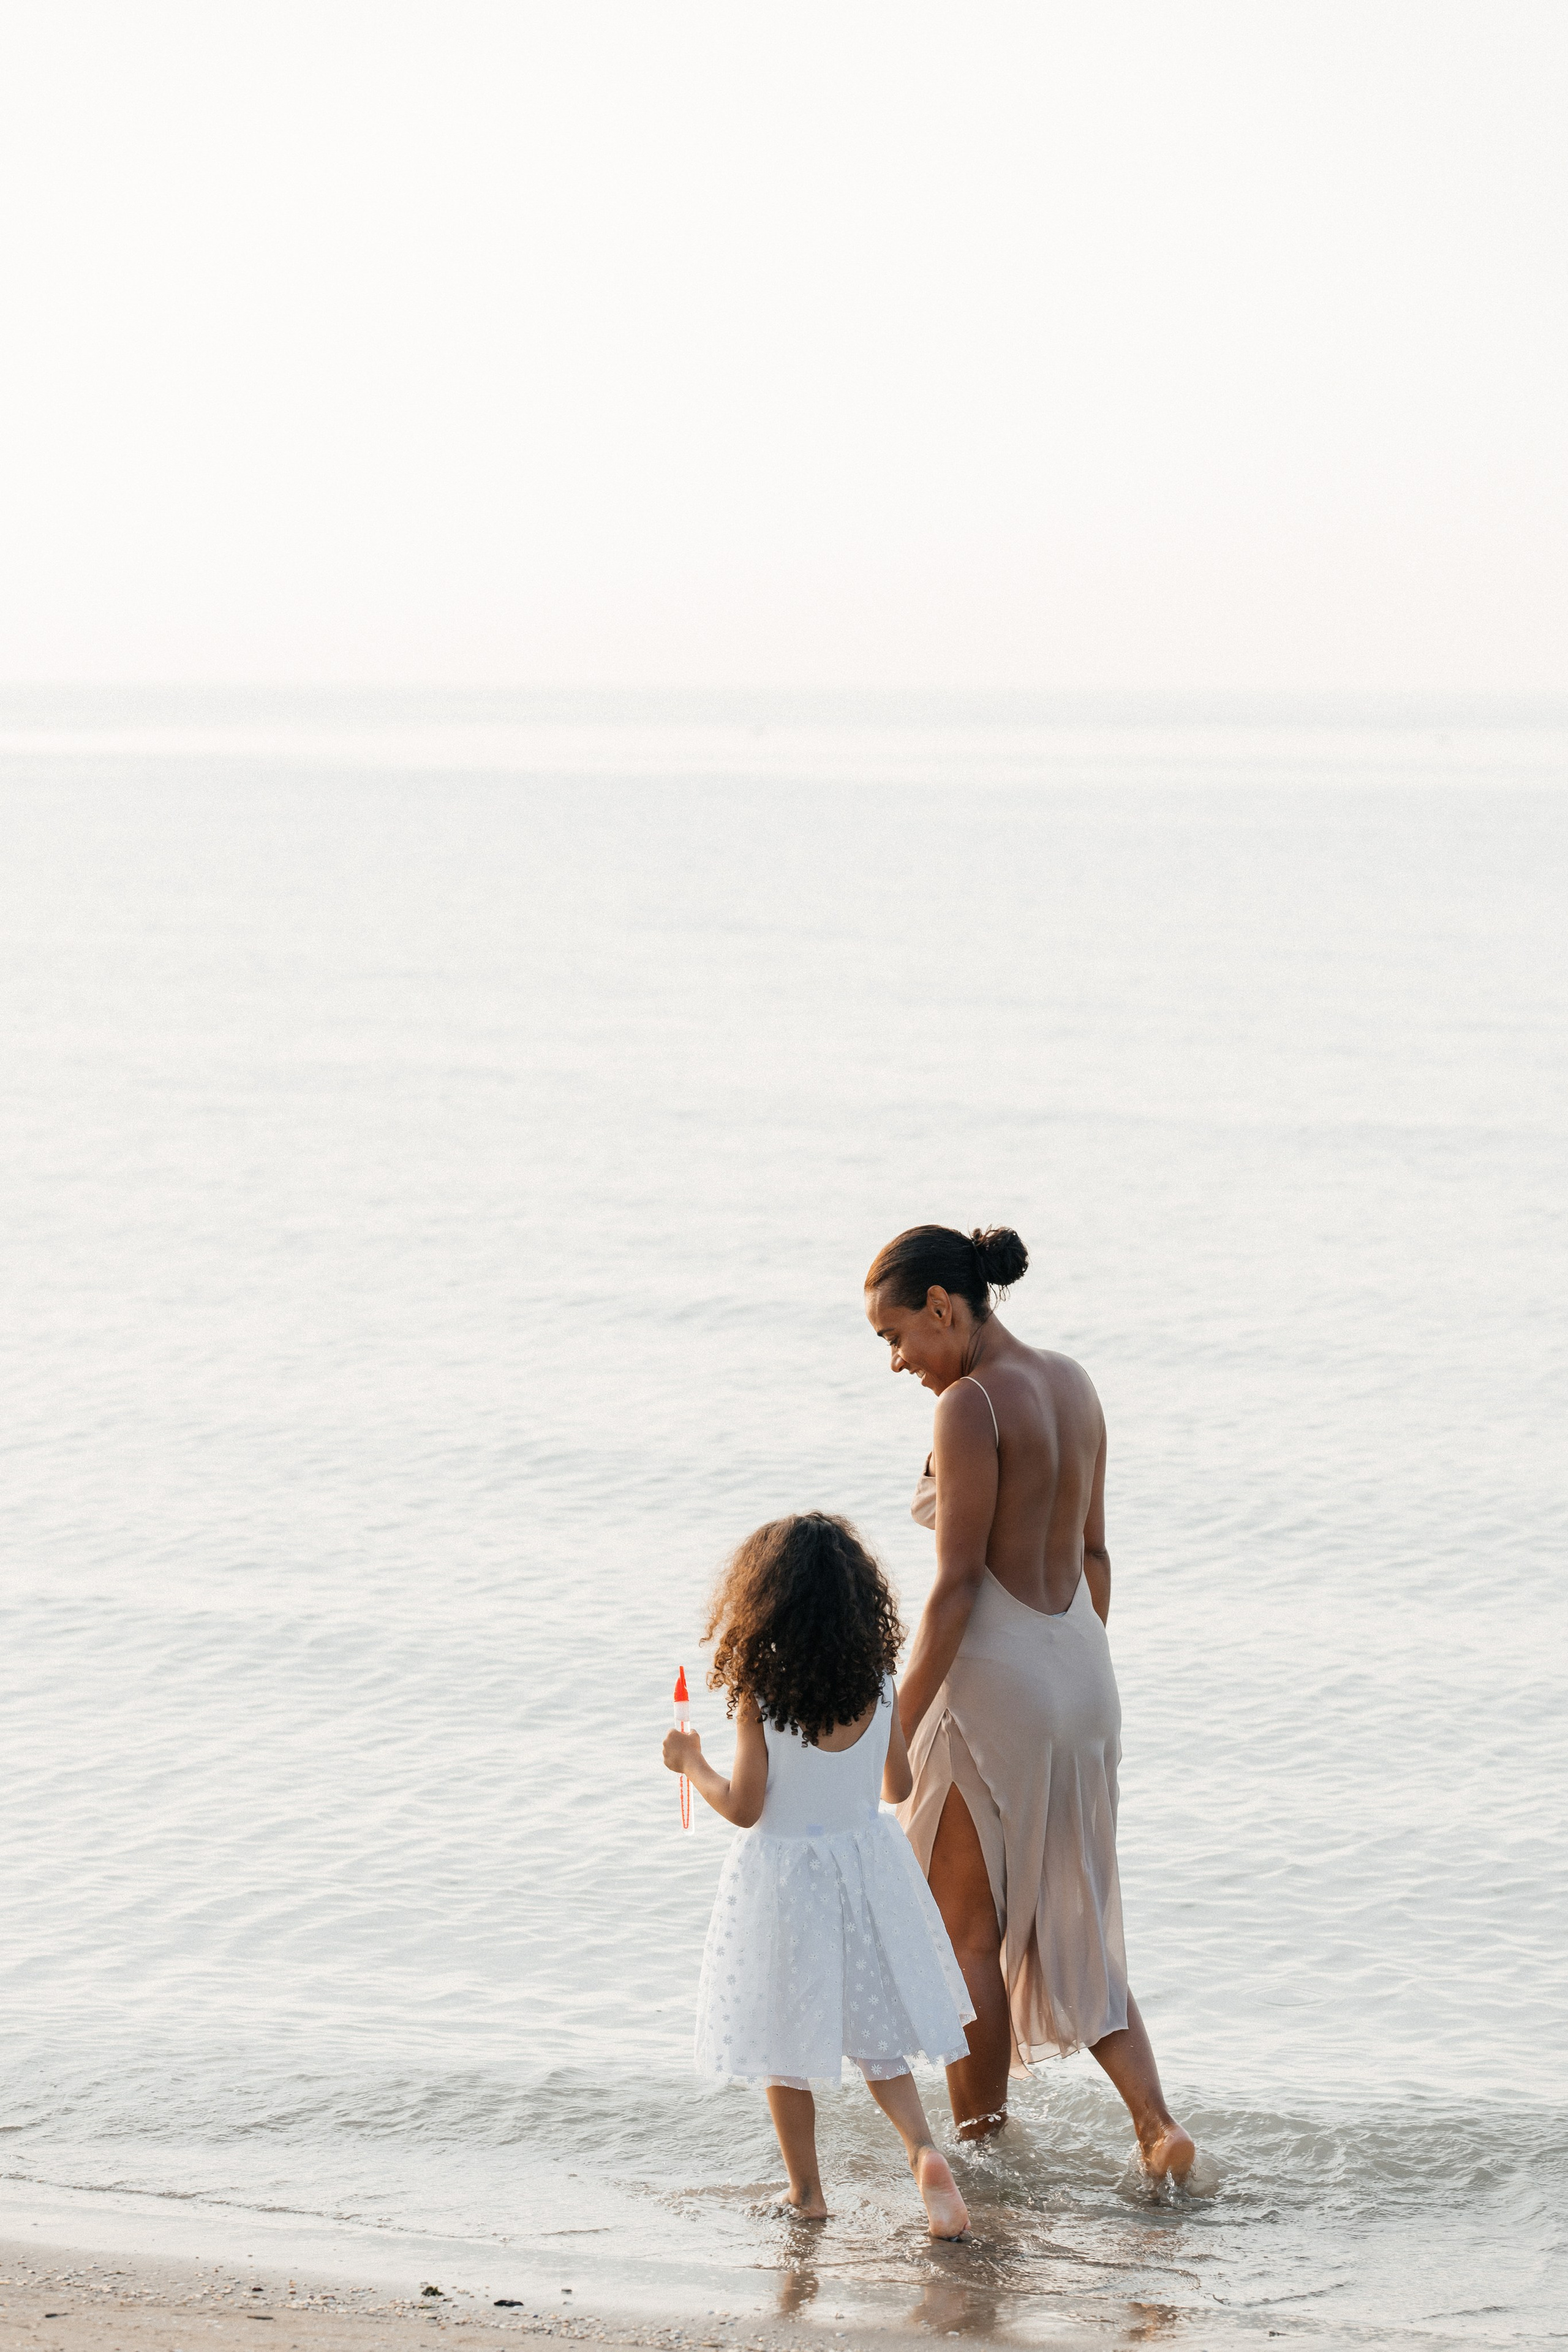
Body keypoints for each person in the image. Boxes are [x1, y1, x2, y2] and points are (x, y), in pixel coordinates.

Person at [864, 1222, 1195, 2179]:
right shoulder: (1074, 1382)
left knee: (966, 1927)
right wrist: (1068, 1679)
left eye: (897, 1337)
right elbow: (1094, 1555)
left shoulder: (970, 1404)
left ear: (942, 1307)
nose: (897, 1363)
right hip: (1085, 1674)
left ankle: (982, 2158)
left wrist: (901, 1726)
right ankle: (1158, 2129)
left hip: (998, 1678)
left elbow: (956, 1583)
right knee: (1076, 1913)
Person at [662, 1512, 974, 2236]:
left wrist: (690, 1763)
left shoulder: (761, 1697)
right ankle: (924, 2150)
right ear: (859, 1600)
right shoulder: (880, 1682)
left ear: (763, 1601)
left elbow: (743, 1809)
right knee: (876, 2039)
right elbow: (897, 1787)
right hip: (864, 1870)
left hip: (783, 1884)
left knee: (783, 2047)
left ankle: (806, 2193)